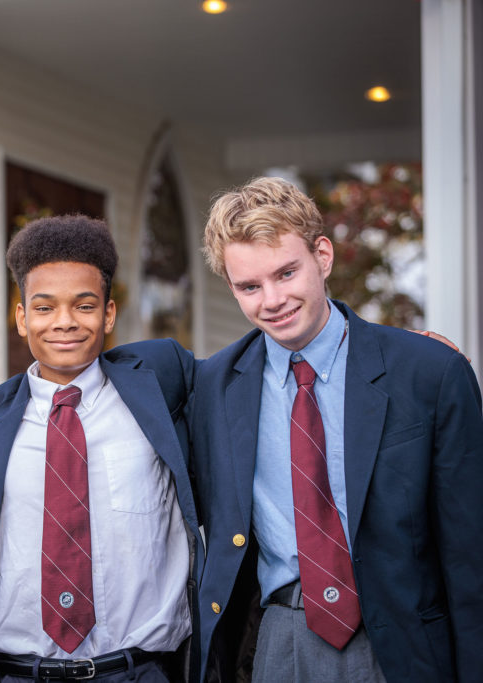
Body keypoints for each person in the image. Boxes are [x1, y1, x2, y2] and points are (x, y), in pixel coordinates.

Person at [192, 176, 483, 682]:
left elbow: (470, 555)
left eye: (287, 273)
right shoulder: (213, 388)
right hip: (280, 641)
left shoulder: (429, 372)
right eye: (249, 286)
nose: (273, 299)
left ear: (322, 256)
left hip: (404, 643)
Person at [0, 215, 203, 683]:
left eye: (84, 305)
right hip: (20, 674)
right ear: (21, 317)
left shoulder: (160, 389)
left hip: (140, 671)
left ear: (109, 314)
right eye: (45, 307)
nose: (65, 322)